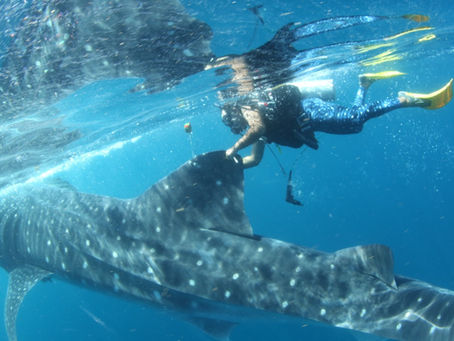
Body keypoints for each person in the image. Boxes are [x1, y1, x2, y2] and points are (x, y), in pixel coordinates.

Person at [220, 72, 453, 168]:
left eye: (229, 122)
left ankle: (404, 99)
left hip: (310, 111)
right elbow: (255, 159)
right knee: (354, 124)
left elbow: (256, 127)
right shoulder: (260, 134)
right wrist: (232, 164)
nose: (233, 128)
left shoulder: (247, 108)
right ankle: (364, 84)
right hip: (312, 119)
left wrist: (233, 148)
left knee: (354, 119)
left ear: (232, 113)